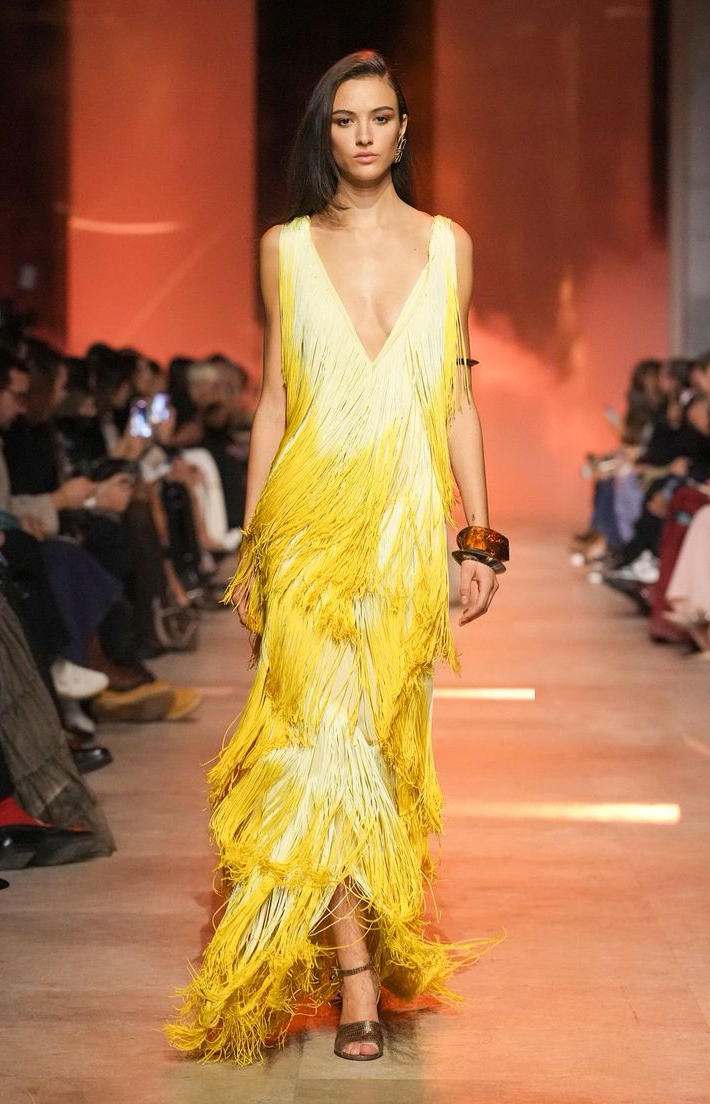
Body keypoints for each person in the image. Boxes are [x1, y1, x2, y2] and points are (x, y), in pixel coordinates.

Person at [167, 50, 506, 1065]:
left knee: (382, 751)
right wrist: (253, 545)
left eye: (380, 118)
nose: (363, 135)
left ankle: (364, 947)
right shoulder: (284, 248)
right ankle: (355, 979)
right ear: (325, 133)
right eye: (344, 120)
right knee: (319, 750)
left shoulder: (448, 245)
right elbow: (274, 399)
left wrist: (478, 536)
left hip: (403, 532)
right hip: (308, 529)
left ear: (403, 130)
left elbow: (456, 397)